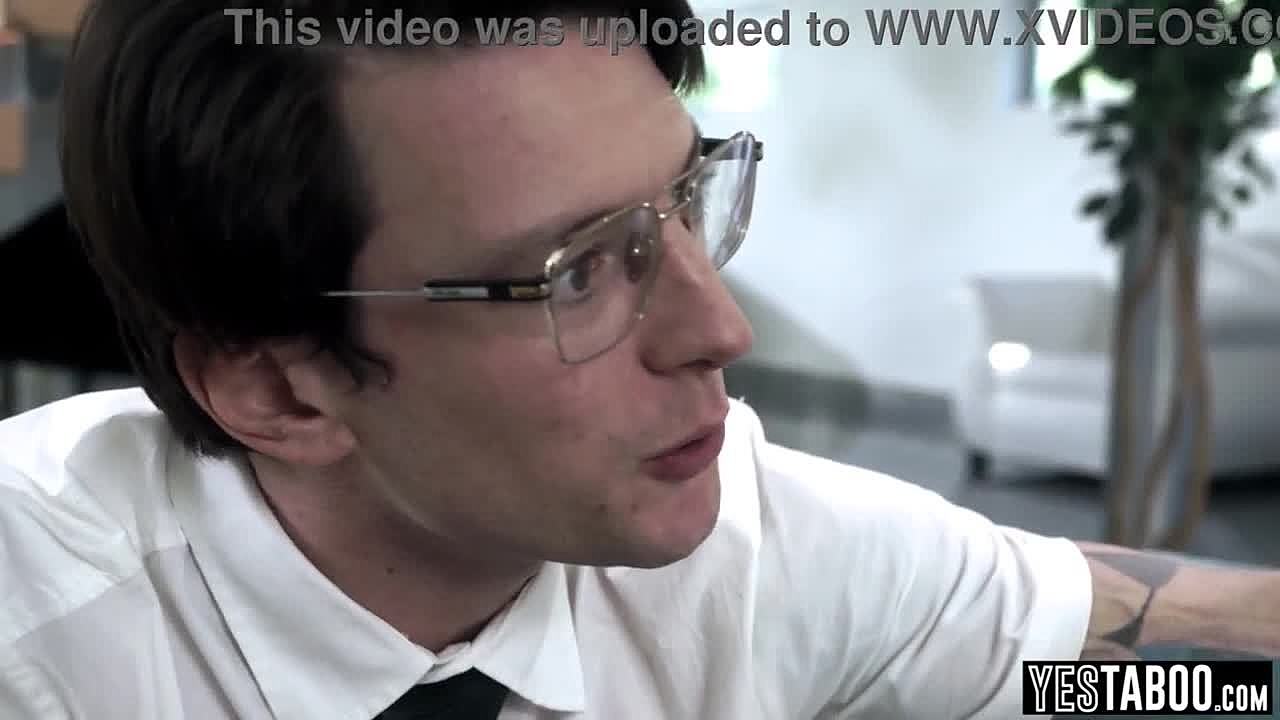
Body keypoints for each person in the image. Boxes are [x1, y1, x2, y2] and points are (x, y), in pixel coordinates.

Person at [1, 1, 1277, 718]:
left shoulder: (744, 541)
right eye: (575, 270)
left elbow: (1071, 647)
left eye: (683, 202)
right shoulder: (42, 645)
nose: (720, 330)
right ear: (279, 388)